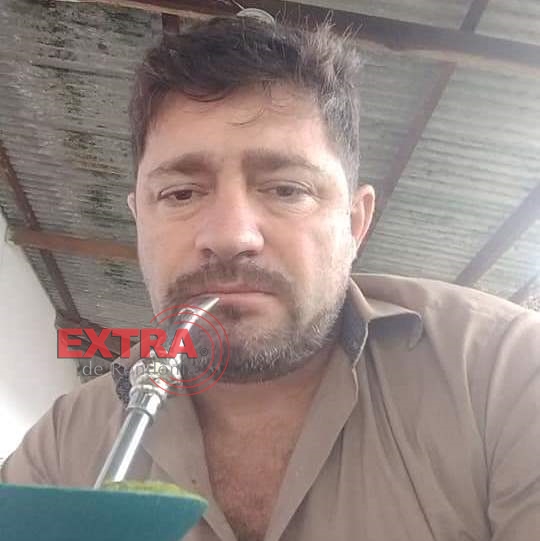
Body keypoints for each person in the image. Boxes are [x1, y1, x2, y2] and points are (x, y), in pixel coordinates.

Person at [2, 14, 539, 541]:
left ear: (355, 223)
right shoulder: (64, 445)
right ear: (139, 222)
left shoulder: (501, 376)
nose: (230, 235)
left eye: (287, 189)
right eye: (181, 193)